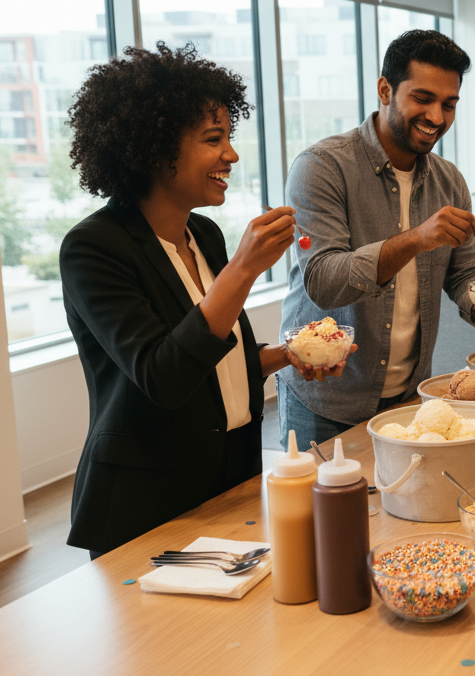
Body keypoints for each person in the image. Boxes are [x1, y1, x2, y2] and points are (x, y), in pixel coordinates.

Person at [60, 44, 352, 558]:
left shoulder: (204, 234)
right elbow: (163, 376)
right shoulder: (94, 248)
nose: (232, 155)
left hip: (228, 476)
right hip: (145, 498)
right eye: (213, 139)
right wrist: (243, 269)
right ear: (155, 149)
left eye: (230, 138)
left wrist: (288, 356)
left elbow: (218, 363)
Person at [278, 30, 475, 447]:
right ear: (385, 89)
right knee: (326, 513)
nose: (437, 117)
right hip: (326, 402)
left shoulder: (448, 180)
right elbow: (323, 280)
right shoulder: (321, 167)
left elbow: (464, 272)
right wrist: (417, 238)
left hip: (411, 401)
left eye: (449, 104)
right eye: (423, 99)